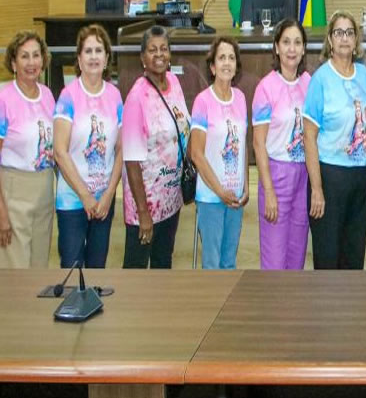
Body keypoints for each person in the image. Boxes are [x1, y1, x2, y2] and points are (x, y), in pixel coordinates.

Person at [303, 11, 366, 269]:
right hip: (330, 178)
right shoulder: (320, 79)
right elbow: (309, 137)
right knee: (328, 257)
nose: (344, 38)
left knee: (355, 257)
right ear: (330, 41)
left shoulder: (365, 75)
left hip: (362, 176)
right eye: (338, 32)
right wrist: (316, 188)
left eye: (349, 32)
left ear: (356, 40)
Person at [52, 25, 123, 268]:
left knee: (97, 270)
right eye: (88, 51)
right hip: (73, 200)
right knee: (73, 270)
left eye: (99, 51)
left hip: (104, 201)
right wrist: (85, 195)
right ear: (79, 60)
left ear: (106, 59)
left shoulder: (115, 96)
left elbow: (120, 150)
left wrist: (108, 195)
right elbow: (59, 152)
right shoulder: (68, 96)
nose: (94, 56)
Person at [121, 25, 189, 269]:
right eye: (152, 50)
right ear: (142, 58)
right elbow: (131, 160)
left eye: (164, 49)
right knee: (136, 270)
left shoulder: (173, 82)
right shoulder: (136, 98)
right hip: (146, 204)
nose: (159, 55)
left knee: (163, 264)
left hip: (171, 198)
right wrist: (143, 213)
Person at [252, 19, 311, 269]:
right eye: (286, 42)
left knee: (296, 257)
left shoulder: (309, 82)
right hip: (276, 175)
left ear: (304, 49)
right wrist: (269, 191)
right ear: (276, 47)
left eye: (297, 42)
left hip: (304, 176)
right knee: (275, 261)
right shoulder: (266, 87)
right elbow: (258, 143)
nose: (292, 49)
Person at [190, 37, 249, 269]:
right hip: (212, 198)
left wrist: (244, 186)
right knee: (212, 265)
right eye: (221, 57)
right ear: (213, 67)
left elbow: (242, 143)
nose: (227, 63)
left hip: (235, 198)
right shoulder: (203, 101)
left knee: (229, 263)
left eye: (231, 58)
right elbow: (196, 154)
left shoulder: (241, 98)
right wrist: (220, 191)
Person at [0, 31, 55, 268]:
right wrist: (1, 213)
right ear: (13, 62)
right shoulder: (4, 99)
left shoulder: (48, 95)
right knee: (15, 272)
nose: (31, 62)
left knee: (40, 268)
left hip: (44, 191)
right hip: (13, 193)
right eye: (24, 56)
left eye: (36, 55)